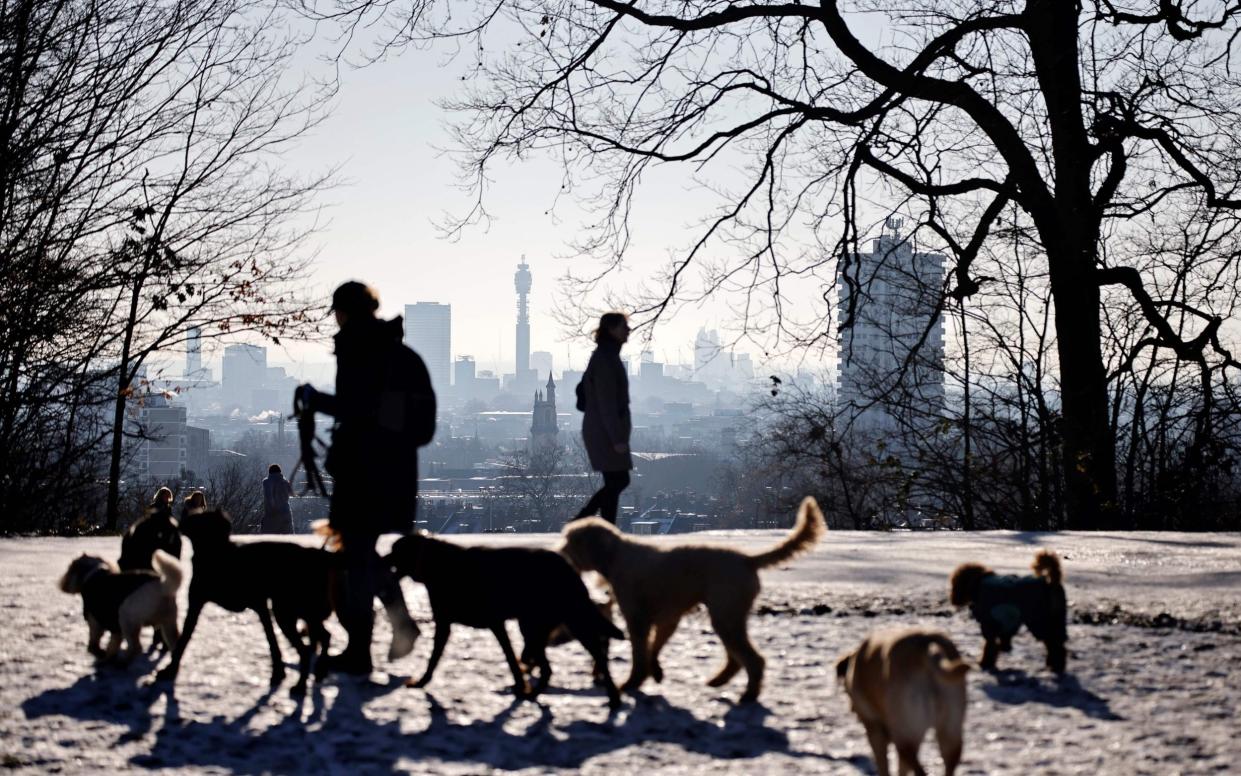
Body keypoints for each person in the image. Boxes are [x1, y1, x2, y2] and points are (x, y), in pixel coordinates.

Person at [298, 281, 433, 676]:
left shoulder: (360, 349)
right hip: (393, 470)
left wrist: (314, 399)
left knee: (356, 556)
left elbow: (356, 408)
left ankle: (369, 643)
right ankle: (385, 632)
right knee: (360, 554)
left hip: (363, 471)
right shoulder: (400, 354)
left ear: (344, 312)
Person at [573, 312, 633, 524]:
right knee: (619, 479)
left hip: (602, 429)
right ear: (611, 330)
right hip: (605, 432)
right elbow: (607, 403)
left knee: (614, 481)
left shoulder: (606, 355)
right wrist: (617, 438)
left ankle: (606, 528)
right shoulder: (606, 359)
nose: (628, 330)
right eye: (624, 326)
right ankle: (583, 520)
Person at [261, 464, 294, 533]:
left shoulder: (267, 482)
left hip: (273, 514)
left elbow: (269, 497)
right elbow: (292, 493)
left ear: (270, 472)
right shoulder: (285, 482)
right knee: (288, 539)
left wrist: (272, 511)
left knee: (270, 539)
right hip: (286, 513)